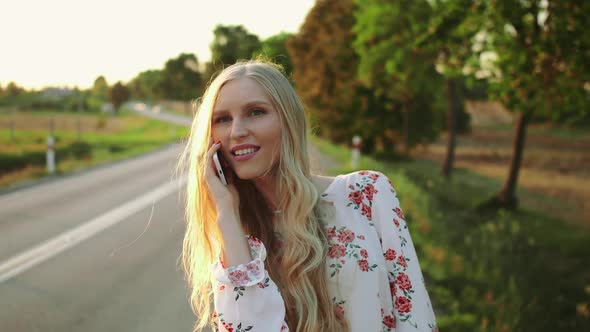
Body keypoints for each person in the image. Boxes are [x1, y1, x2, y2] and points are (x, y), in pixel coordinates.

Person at [177, 59, 437, 332]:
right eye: (223, 119)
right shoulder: (236, 243)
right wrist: (226, 214)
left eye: (255, 112)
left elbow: (416, 317)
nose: (237, 131)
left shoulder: (368, 194)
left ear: (289, 120)